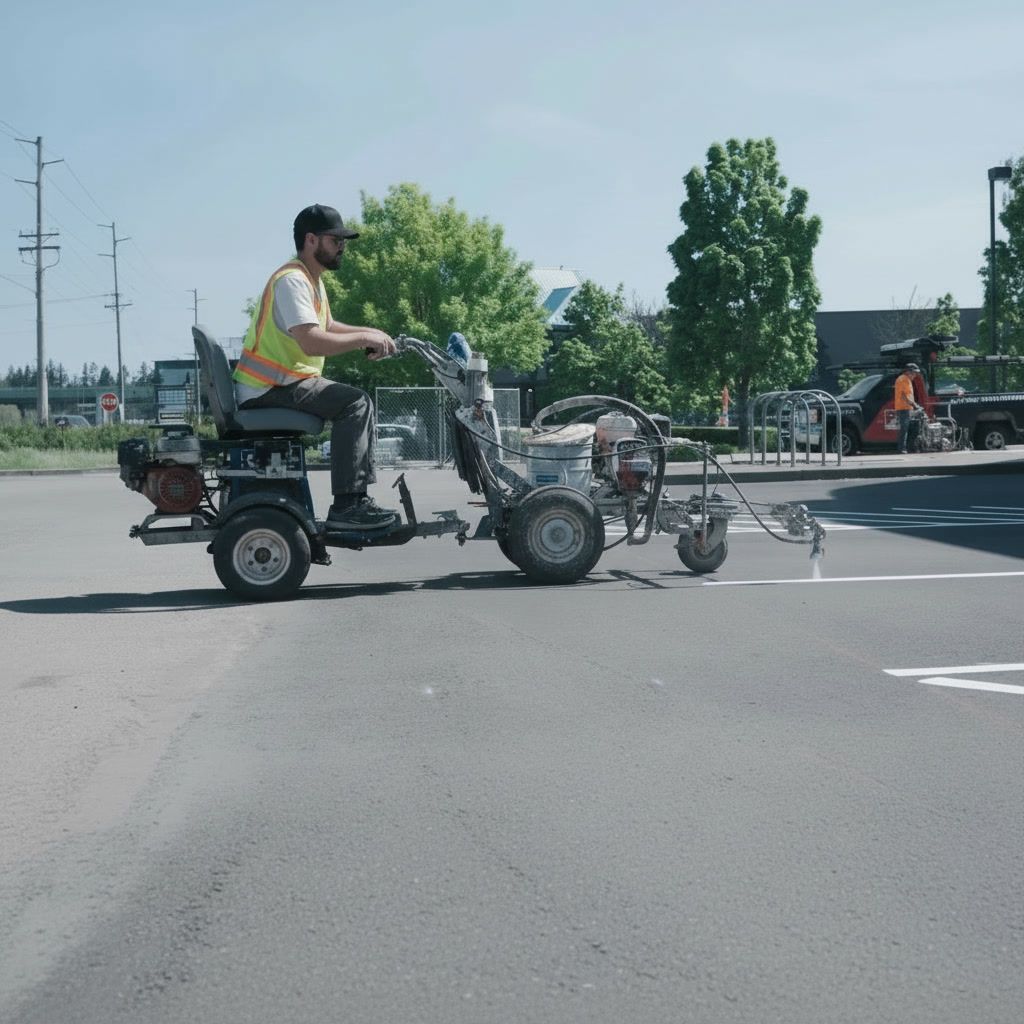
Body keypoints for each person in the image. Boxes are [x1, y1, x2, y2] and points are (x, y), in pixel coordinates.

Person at [233, 204, 398, 530]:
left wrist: (371, 333)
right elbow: (311, 340)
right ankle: (349, 504)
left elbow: (328, 325)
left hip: (283, 383)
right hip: (270, 387)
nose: (342, 247)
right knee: (355, 403)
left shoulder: (311, 280)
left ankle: (355, 500)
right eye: (335, 240)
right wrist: (365, 336)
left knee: (355, 401)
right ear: (311, 240)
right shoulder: (292, 281)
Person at [894, 362, 922, 454]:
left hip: (906, 407)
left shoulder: (906, 379)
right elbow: (904, 396)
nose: (915, 375)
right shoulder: (904, 379)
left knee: (908, 428)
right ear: (908, 372)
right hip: (904, 408)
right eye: (914, 373)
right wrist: (914, 404)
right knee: (904, 429)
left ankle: (909, 448)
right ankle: (902, 449)